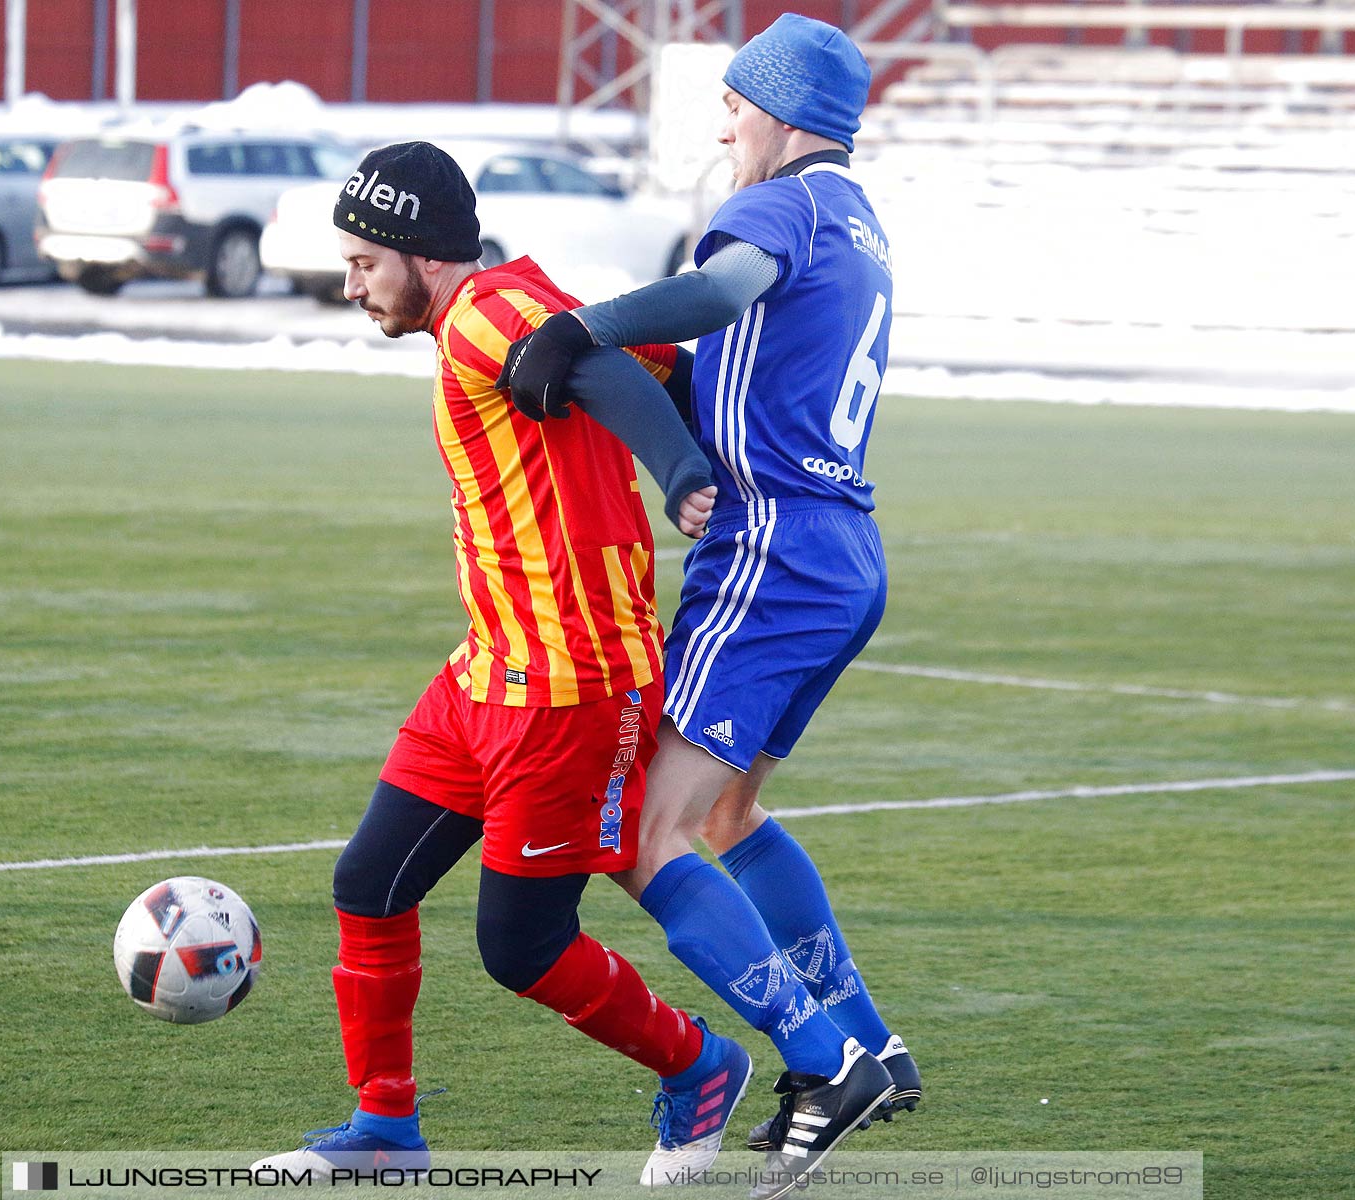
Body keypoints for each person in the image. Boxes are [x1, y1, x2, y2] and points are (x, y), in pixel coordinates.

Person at [253, 141, 751, 1180]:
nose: (350, 287)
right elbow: (667, 363)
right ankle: (386, 1129)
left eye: (361, 263)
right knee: (370, 884)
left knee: (522, 946)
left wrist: (680, 474)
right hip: (485, 674)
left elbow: (614, 368)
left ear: (420, 254)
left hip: (567, 691)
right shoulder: (510, 299)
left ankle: (698, 1065)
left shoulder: (484, 313)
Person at [502, 14, 921, 1191]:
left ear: (785, 114)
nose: (723, 119)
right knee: (727, 817)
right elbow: (751, 359)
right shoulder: (858, 217)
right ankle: (868, 1042)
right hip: (842, 552)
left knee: (646, 830)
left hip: (772, 553)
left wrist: (584, 327)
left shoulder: (778, 206)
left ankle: (825, 1060)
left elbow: (720, 288)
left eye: (736, 101)